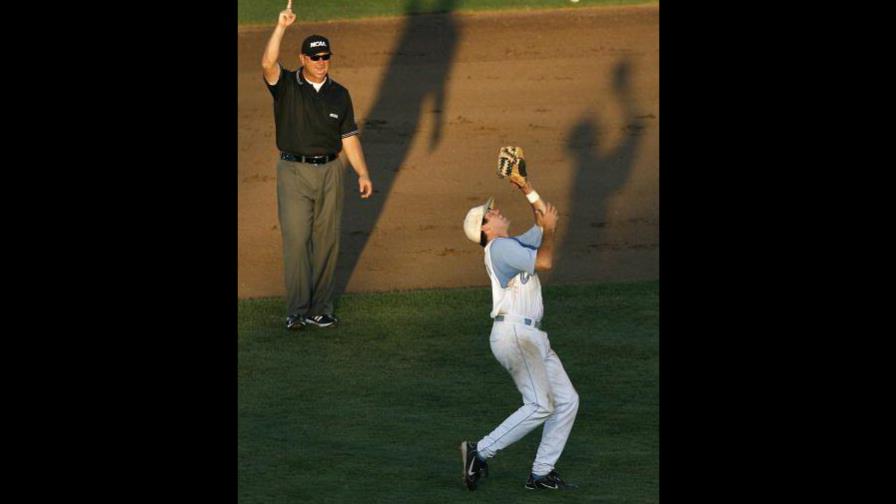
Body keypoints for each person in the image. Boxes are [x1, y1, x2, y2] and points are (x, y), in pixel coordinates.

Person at [459, 176, 579, 491]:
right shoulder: (499, 249)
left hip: (533, 337)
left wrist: (527, 188)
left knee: (567, 400)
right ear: (485, 229)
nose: (496, 210)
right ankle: (479, 451)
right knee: (540, 404)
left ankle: (541, 472)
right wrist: (549, 229)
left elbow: (545, 220)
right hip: (514, 334)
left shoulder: (511, 245)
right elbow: (547, 259)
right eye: (490, 212)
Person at [261, 0, 373, 330]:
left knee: (327, 242)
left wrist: (363, 172)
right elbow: (267, 63)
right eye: (315, 57)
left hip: (330, 171)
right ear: (303, 59)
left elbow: (349, 136)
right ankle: (296, 311)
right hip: (293, 172)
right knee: (296, 241)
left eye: (325, 57)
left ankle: (320, 309)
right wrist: (281, 26)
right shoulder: (286, 86)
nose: (321, 62)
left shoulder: (340, 94)